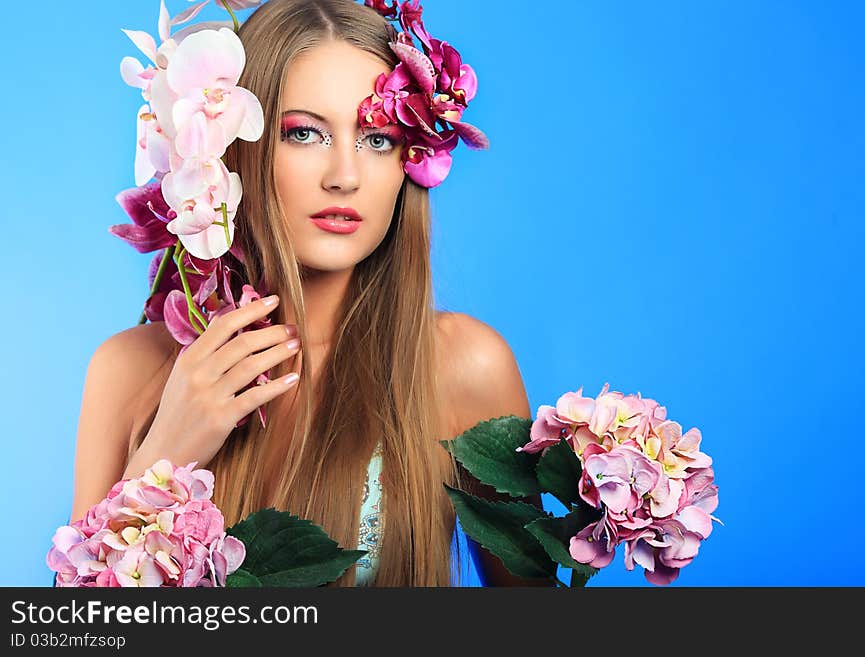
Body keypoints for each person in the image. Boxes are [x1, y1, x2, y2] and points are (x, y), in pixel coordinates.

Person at [69, 0, 553, 587]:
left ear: (411, 161)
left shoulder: (462, 367)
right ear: (229, 148)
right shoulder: (131, 371)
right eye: (304, 133)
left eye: (377, 138)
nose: (344, 175)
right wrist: (163, 456)